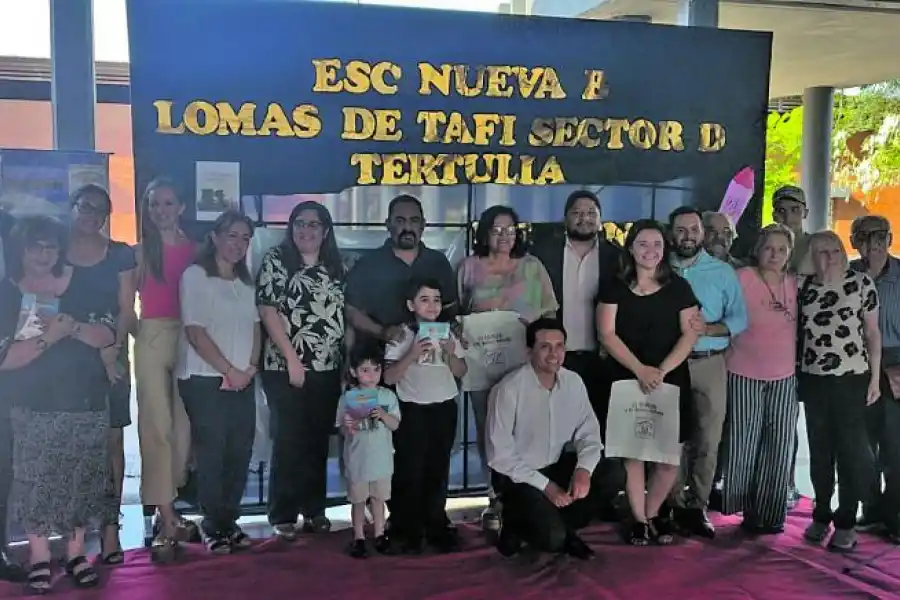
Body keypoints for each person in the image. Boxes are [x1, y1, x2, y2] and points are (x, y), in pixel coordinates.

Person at [0, 216, 119, 593]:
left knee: (81, 479)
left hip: (84, 398)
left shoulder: (84, 283)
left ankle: (76, 553)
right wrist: (50, 338)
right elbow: (4, 358)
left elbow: (107, 334)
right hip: (30, 402)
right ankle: (38, 557)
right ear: (21, 249)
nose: (44, 254)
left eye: (51, 246)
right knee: (35, 482)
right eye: (36, 246)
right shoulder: (7, 291)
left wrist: (75, 328)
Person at [597, 219, 700, 546]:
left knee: (669, 459)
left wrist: (662, 370)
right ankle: (639, 520)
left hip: (670, 380)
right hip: (627, 377)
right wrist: (640, 369)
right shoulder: (614, 286)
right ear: (630, 247)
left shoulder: (679, 287)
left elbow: (691, 333)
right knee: (634, 454)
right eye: (643, 244)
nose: (650, 251)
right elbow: (606, 333)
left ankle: (654, 512)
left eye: (657, 244)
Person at [457, 205, 557, 529]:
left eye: (510, 229)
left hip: (524, 367)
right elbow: (455, 313)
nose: (504, 236)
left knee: (527, 433)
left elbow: (549, 315)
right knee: (489, 432)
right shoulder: (468, 267)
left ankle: (527, 498)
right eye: (497, 230)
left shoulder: (532, 267)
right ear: (484, 233)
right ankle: (495, 497)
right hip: (482, 367)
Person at [530, 190, 625, 522]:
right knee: (555, 429)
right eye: (577, 212)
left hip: (601, 357)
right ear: (566, 217)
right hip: (557, 357)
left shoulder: (616, 257)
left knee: (599, 429)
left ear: (600, 220)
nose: (584, 218)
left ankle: (600, 498)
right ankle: (553, 495)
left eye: (591, 212)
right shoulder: (543, 254)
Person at [257, 201, 346, 540]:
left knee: (317, 441)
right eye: (299, 224)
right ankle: (283, 513)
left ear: (325, 231)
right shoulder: (277, 261)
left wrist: (345, 362)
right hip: (285, 367)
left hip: (328, 367)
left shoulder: (336, 266)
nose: (305, 231)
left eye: (313, 224)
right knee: (290, 440)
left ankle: (314, 510)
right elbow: (268, 311)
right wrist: (294, 360)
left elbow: (341, 316)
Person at [486, 318, 603, 559]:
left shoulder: (573, 382)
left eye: (560, 346)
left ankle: (563, 527)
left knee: (611, 472)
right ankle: (516, 523)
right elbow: (500, 456)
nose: (554, 354)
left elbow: (589, 432)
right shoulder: (509, 389)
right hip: (520, 477)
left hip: (556, 467)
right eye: (545, 346)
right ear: (529, 351)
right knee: (551, 539)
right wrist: (547, 487)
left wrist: (583, 470)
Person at [177, 211, 260, 554]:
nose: (238, 244)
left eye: (245, 238)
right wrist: (229, 370)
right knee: (212, 454)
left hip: (243, 380)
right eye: (232, 235)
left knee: (239, 453)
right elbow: (195, 333)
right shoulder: (196, 276)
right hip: (205, 379)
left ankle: (229, 520)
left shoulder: (246, 282)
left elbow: (257, 327)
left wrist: (250, 368)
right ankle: (212, 524)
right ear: (214, 236)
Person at [66, 184, 137, 564]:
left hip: (111, 359)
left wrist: (113, 352)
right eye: (85, 206)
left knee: (111, 445)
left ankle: (111, 529)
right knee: (71, 447)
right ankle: (70, 533)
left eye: (100, 209)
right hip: (64, 361)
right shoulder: (55, 251)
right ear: (72, 208)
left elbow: (126, 308)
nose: (91, 214)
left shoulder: (120, 254)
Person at [668, 206, 748, 538]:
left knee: (708, 438)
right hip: (670, 364)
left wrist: (709, 329)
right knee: (671, 439)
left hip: (709, 362)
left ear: (702, 233)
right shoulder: (658, 267)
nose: (688, 236)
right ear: (672, 234)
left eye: (693, 230)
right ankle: (670, 504)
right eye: (681, 230)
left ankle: (696, 506)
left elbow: (740, 320)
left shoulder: (722, 272)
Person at [798, 230, 881, 552]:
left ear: (843, 253)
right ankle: (821, 513)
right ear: (812, 256)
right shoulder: (803, 287)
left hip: (852, 379)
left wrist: (874, 379)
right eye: (821, 252)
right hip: (814, 379)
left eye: (833, 250)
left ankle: (846, 520)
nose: (828, 257)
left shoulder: (861, 284)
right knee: (820, 452)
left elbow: (872, 335)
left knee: (849, 452)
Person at [134, 177, 197, 562]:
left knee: (183, 426)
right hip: (153, 336)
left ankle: (170, 501)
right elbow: (126, 305)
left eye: (168, 203)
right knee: (155, 427)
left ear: (181, 208)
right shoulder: (139, 252)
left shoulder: (196, 251)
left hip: (190, 335)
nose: (161, 210)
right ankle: (167, 516)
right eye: (154, 204)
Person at [721, 224, 799, 534]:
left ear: (790, 254)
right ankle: (746, 511)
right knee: (744, 443)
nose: (775, 254)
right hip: (743, 372)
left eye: (782, 249)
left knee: (779, 446)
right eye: (769, 247)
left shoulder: (795, 283)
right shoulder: (742, 278)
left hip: (784, 376)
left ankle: (773, 513)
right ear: (757, 249)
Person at [383, 278, 467, 554]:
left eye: (436, 299)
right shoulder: (402, 335)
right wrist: (412, 353)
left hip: (443, 406)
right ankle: (405, 527)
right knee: (409, 468)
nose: (432, 305)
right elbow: (389, 376)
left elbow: (460, 371)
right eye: (424, 299)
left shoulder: (448, 334)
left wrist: (452, 353)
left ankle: (436, 523)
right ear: (411, 305)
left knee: (438, 466)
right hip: (412, 408)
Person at [346, 194, 458, 344]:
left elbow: (451, 309)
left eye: (414, 220)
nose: (407, 227)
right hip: (378, 357)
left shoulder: (438, 262)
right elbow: (351, 311)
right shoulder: (368, 263)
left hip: (430, 355)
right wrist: (382, 332)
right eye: (400, 221)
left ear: (423, 225)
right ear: (388, 224)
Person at [849, 215, 900, 543]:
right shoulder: (845, 275)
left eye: (880, 236)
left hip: (897, 366)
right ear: (854, 243)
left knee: (896, 447)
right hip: (855, 367)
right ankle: (870, 509)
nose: (873, 243)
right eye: (865, 237)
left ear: (891, 239)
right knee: (859, 446)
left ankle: (894, 514)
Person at [339, 342, 401, 559]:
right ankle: (358, 537)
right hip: (357, 459)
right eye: (365, 370)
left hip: (382, 460)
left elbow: (395, 424)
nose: (372, 375)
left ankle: (380, 534)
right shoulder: (348, 398)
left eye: (376, 369)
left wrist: (383, 416)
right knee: (358, 500)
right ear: (354, 372)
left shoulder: (387, 396)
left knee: (379, 499)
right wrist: (350, 424)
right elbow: (342, 428)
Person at [772, 184, 811, 507]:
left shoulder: (817, 246)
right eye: (782, 211)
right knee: (775, 418)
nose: (788, 217)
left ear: (806, 213)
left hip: (811, 347)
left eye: (795, 210)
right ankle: (772, 481)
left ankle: (788, 482)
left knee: (792, 422)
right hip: (770, 345)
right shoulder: (766, 245)